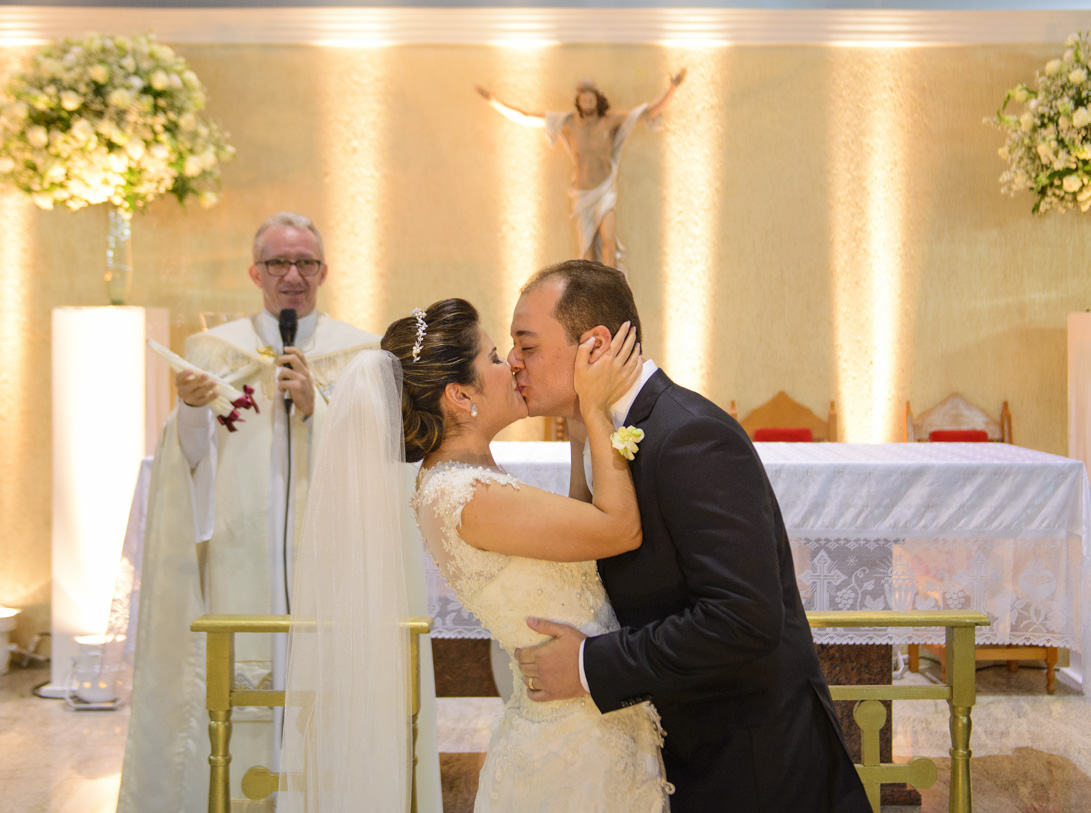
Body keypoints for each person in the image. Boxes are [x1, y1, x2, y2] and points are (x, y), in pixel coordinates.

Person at [508, 260, 874, 813]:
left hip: (753, 765)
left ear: (595, 345)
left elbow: (742, 619)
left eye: (527, 346)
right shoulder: (606, 432)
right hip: (690, 749)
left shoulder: (690, 436)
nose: (513, 363)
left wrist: (588, 666)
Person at [281, 297, 672, 811]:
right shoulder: (464, 494)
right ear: (460, 393)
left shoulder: (467, 478)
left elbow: (573, 544)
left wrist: (579, 435)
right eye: (493, 356)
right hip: (569, 749)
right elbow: (618, 531)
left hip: (581, 719)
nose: (510, 362)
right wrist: (598, 411)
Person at [116, 213, 441, 812]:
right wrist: (189, 413)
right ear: (254, 272)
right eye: (277, 263)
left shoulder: (363, 355)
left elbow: (383, 463)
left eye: (305, 263)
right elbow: (187, 466)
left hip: (332, 566)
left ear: (323, 272)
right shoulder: (214, 353)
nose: (292, 275)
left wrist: (318, 411)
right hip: (243, 564)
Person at [477, 71, 685, 269]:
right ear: (579, 102)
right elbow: (528, 117)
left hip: (604, 191)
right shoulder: (569, 123)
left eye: (591, 100)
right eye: (584, 100)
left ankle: (611, 289)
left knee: (608, 241)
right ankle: (591, 296)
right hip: (583, 194)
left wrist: (673, 88)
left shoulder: (609, 120)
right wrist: (495, 102)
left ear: (597, 100)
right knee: (587, 252)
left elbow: (648, 111)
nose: (587, 104)